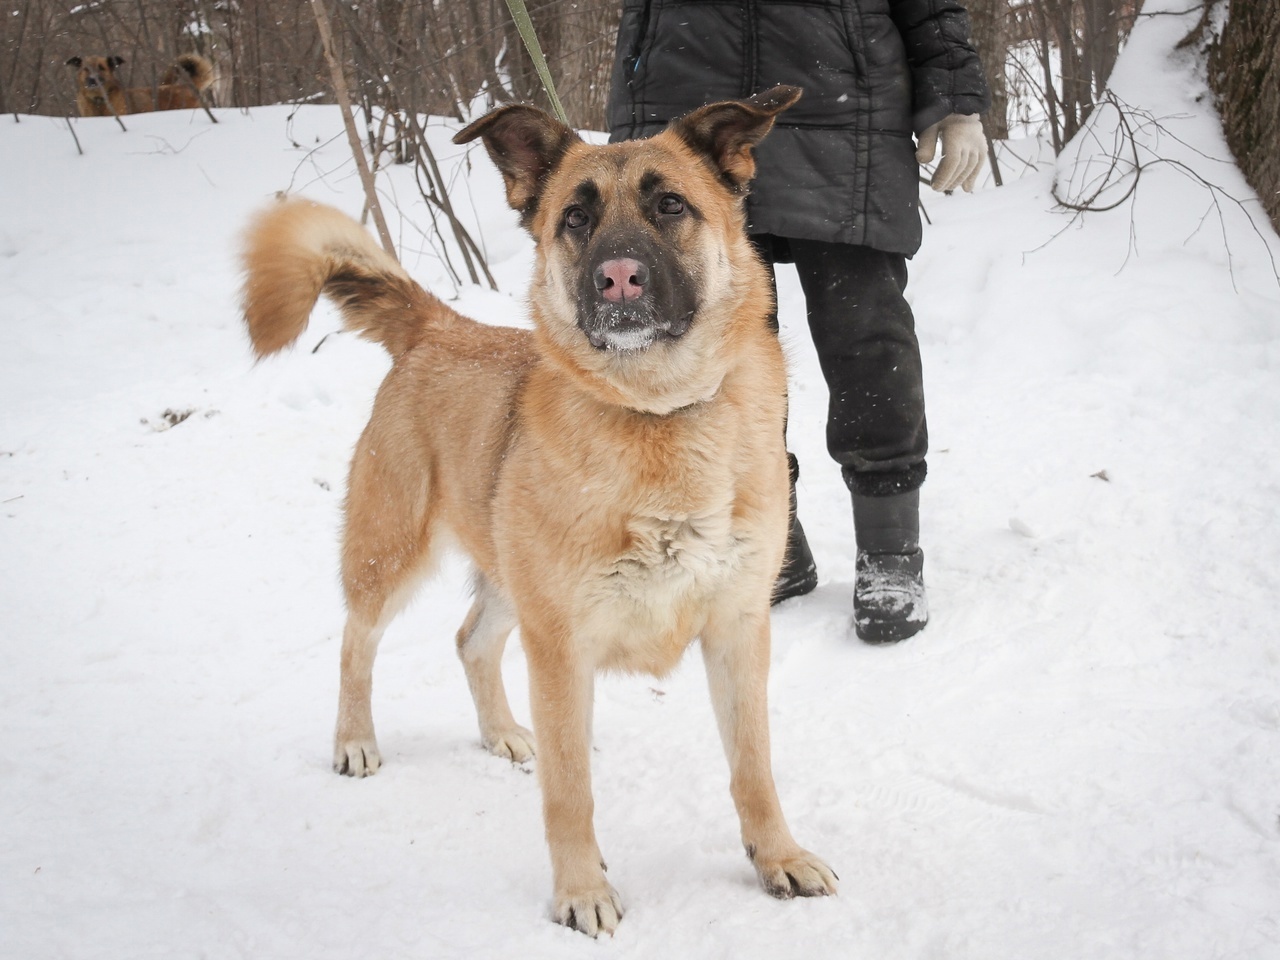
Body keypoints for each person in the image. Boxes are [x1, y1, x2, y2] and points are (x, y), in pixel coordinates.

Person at [606, 0, 991, 643]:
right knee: (720, 356)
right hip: (684, 111)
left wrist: (955, 101)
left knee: (868, 338)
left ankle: (889, 550)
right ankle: (770, 539)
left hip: (847, 108)